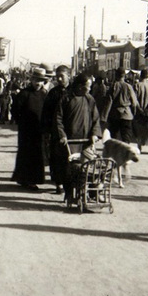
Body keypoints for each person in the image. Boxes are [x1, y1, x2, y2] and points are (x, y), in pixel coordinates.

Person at [55, 73, 102, 204]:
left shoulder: (90, 99)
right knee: (71, 171)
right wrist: (62, 135)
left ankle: (93, 193)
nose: (90, 89)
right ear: (80, 86)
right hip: (70, 142)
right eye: (88, 87)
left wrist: (94, 134)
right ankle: (71, 194)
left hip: (86, 141)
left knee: (91, 169)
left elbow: (95, 119)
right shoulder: (66, 98)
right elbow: (58, 119)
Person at [11, 67, 49, 190]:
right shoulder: (24, 93)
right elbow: (15, 110)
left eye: (41, 80)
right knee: (25, 154)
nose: (38, 83)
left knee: (37, 155)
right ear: (31, 80)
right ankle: (23, 179)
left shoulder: (45, 95)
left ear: (44, 82)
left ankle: (33, 180)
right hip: (26, 130)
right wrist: (21, 122)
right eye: (36, 80)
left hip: (39, 130)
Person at [41, 65, 71, 194]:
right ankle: (58, 183)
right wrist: (46, 131)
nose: (59, 79)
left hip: (71, 130)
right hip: (55, 130)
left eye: (62, 76)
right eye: (57, 76)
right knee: (56, 158)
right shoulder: (53, 93)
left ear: (68, 76)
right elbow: (46, 113)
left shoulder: (74, 91)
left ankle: (69, 182)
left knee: (70, 158)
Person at [101, 68, 137, 144]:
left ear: (116, 75)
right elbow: (134, 103)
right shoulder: (129, 86)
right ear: (124, 76)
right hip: (127, 114)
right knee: (126, 137)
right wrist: (133, 114)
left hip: (115, 115)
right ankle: (125, 152)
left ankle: (115, 152)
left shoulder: (113, 86)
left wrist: (104, 117)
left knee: (114, 137)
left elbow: (108, 102)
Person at [133, 69, 148, 152]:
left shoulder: (137, 85)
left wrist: (139, 109)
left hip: (138, 111)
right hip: (147, 112)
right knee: (144, 127)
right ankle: (143, 142)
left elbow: (134, 99)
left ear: (140, 76)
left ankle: (138, 143)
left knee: (137, 127)